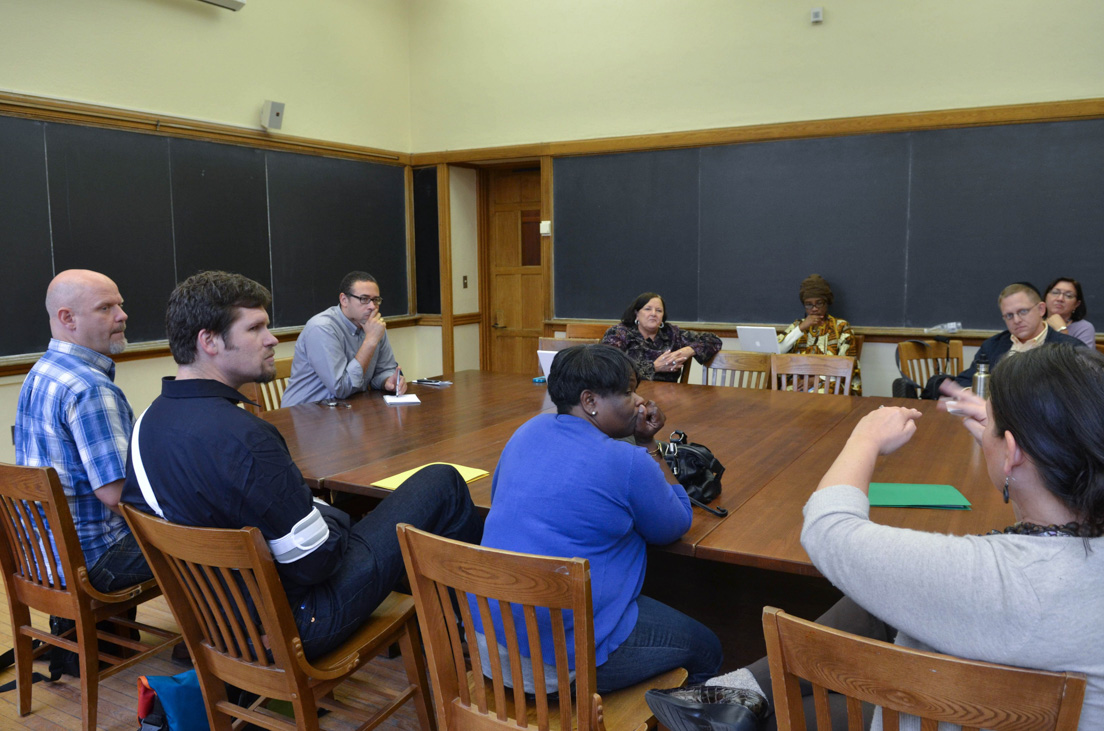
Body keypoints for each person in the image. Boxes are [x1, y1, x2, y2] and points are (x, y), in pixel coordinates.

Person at [654, 344, 1104, 731]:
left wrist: (864, 438)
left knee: (783, 709)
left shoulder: (993, 577)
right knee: (873, 605)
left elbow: (829, 529)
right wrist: (1008, 437)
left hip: (953, 714)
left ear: (1012, 454)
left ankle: (737, 699)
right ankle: (737, 692)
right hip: (1007, 700)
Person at [121, 271, 483, 659]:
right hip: (297, 623)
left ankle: (443, 629)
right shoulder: (247, 438)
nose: (272, 339)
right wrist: (335, 519)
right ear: (208, 341)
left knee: (351, 516)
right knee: (441, 481)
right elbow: (315, 562)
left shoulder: (146, 424)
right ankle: (465, 636)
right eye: (256, 328)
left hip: (221, 618)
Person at [476, 344, 722, 694]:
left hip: (490, 637)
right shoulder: (627, 460)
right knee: (708, 648)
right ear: (589, 401)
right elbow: (676, 523)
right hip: (557, 663)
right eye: (626, 392)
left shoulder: (527, 431)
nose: (639, 400)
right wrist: (648, 445)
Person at [15, 269, 151, 592]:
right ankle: (223, 640)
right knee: (207, 541)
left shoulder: (40, 372)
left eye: (120, 305)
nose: (122, 315)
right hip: (94, 560)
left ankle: (82, 637)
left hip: (43, 559)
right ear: (68, 318)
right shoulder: (90, 388)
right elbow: (117, 496)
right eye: (106, 308)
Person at [281, 270, 406, 406]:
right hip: (305, 414)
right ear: (344, 300)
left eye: (376, 300)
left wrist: (387, 381)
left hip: (349, 410)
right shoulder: (322, 328)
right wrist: (370, 341)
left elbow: (383, 370)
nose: (372, 306)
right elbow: (341, 388)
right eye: (364, 299)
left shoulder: (374, 325)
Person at [949, 282, 1083, 388]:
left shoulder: (1071, 348)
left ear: (1041, 309)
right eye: (1009, 315)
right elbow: (965, 381)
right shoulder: (993, 345)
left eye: (1023, 311)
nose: (1017, 320)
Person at [601, 292, 721, 382]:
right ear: (636, 314)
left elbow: (714, 340)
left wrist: (688, 350)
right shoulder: (618, 333)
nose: (653, 314)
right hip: (630, 395)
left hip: (669, 396)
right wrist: (654, 367)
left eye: (659, 310)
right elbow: (607, 368)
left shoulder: (672, 333)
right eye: (648, 309)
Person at [777, 274, 862, 395]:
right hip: (798, 381)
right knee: (782, 397)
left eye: (819, 303)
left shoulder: (841, 327)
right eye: (809, 304)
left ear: (826, 303)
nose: (814, 308)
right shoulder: (797, 325)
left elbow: (847, 364)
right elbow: (777, 351)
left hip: (830, 381)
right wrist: (801, 328)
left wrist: (817, 379)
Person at [1044, 276, 1095, 347]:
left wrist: (1061, 331)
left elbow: (1082, 357)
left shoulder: (1084, 328)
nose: (1060, 299)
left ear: (1076, 304)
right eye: (1055, 293)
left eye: (1068, 296)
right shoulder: (1034, 322)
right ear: (1046, 297)